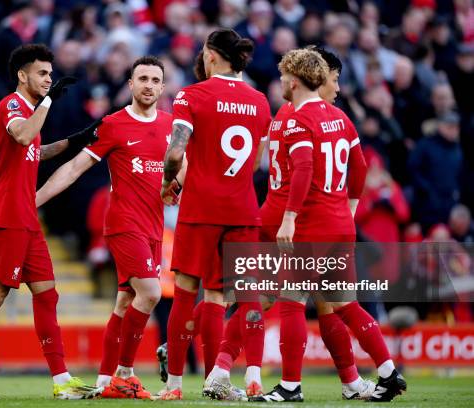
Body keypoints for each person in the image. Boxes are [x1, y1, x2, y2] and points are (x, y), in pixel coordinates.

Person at [206, 47, 376, 402]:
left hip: (274, 214)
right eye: (335, 78)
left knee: (259, 296)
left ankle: (220, 366)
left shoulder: (285, 112)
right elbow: (317, 170)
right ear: (318, 76)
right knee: (314, 302)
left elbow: (258, 161)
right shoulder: (316, 117)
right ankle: (346, 381)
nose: (337, 87)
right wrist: (342, 212)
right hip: (297, 221)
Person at [0, 44, 100, 400]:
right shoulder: (12, 105)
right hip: (7, 215)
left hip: (27, 218)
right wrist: (48, 103)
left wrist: (75, 141)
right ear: (22, 75)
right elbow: (23, 135)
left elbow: (35, 150)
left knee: (47, 294)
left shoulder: (29, 112)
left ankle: (62, 380)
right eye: (42, 73)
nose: (49, 79)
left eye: (50, 73)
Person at [254, 48, 405, 403]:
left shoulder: (298, 120)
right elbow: (361, 168)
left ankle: (290, 385)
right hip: (340, 225)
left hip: (313, 225)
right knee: (346, 304)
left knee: (291, 301)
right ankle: (387, 371)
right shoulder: (339, 117)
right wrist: (348, 209)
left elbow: (304, 167)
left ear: (293, 81)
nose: (280, 85)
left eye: (281, 79)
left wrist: (290, 217)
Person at [36, 56, 173, 399]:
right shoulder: (114, 124)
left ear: (162, 87)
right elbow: (74, 168)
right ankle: (125, 375)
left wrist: (177, 184)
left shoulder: (172, 125)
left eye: (155, 80)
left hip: (155, 227)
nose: (149, 85)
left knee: (125, 303)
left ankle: (103, 380)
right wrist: (33, 200)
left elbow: (182, 168)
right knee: (152, 294)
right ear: (129, 84)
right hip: (124, 224)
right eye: (142, 78)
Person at [157, 28, 271, 400]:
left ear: (209, 55)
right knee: (237, 294)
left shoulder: (191, 95)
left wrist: (168, 182)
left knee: (187, 292)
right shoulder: (259, 101)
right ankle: (251, 378)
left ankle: (175, 386)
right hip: (242, 208)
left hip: (200, 207)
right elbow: (257, 160)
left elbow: (175, 153)